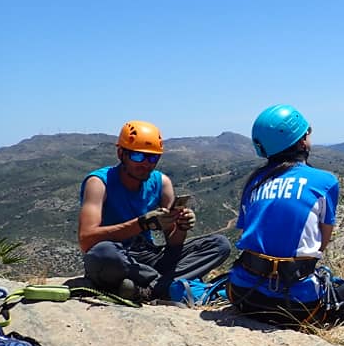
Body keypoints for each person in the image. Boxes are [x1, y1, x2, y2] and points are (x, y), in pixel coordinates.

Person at [227, 104, 344, 326]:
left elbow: (249, 232)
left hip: (243, 295)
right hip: (298, 306)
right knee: (343, 292)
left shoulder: (254, 182)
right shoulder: (325, 181)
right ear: (302, 141)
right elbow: (322, 243)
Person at [78, 120, 231, 300]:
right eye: (138, 156)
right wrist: (142, 224)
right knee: (103, 254)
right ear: (121, 154)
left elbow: (173, 242)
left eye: (152, 158)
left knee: (219, 244)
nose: (146, 164)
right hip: (118, 256)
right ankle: (165, 284)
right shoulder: (99, 183)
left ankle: (150, 288)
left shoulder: (162, 182)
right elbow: (86, 240)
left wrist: (181, 227)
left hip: (148, 256)